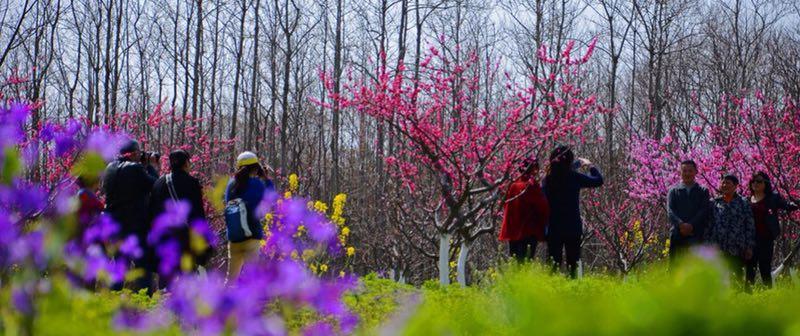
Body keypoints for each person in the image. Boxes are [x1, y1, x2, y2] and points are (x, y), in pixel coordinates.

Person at [103, 139, 159, 293]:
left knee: (120, 265)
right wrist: (152, 166)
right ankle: (145, 301)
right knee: (142, 265)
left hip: (115, 226)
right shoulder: (134, 168)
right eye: (139, 153)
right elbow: (154, 185)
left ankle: (112, 298)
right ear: (134, 153)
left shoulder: (109, 168)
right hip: (134, 225)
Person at [149, 150, 212, 287]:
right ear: (185, 163)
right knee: (187, 273)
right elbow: (198, 212)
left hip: (164, 235)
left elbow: (152, 212)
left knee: (166, 273)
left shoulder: (159, 183)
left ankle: (162, 304)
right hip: (185, 236)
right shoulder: (192, 183)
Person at [543, 145, 603, 278]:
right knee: (573, 267)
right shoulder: (574, 177)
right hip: (572, 228)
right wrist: (590, 166)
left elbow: (562, 170)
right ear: (569, 161)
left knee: (553, 266)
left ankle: (549, 295)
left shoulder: (547, 179)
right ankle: (573, 294)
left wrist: (577, 164)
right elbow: (598, 181)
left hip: (553, 228)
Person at [224, 151, 275, 283]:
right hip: (252, 235)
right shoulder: (257, 184)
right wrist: (266, 179)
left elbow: (227, 203)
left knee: (231, 278)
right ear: (256, 168)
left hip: (234, 236)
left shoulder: (231, 185)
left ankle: (223, 301)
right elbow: (270, 199)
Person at [746, 171, 798, 289]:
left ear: (766, 183)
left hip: (765, 239)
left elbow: (787, 205)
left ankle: (768, 297)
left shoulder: (773, 198)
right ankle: (746, 298)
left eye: (759, 181)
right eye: (753, 181)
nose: (755, 183)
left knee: (765, 268)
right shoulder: (747, 200)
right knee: (750, 270)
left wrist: (796, 204)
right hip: (750, 240)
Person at [705, 174, 755, 285]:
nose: (724, 185)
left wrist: (749, 246)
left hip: (737, 247)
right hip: (718, 246)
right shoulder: (714, 203)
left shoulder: (743, 203)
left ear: (735, 186)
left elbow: (749, 225)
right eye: (723, 182)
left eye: (728, 183)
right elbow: (709, 224)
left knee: (736, 277)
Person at [499, 157, 550, 263]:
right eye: (535, 168)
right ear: (533, 169)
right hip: (528, 231)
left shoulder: (513, 185)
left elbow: (506, 206)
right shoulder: (531, 186)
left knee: (515, 262)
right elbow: (543, 207)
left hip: (513, 231)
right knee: (525, 263)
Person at [666, 160, 711, 265]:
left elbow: (704, 210)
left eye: (690, 171)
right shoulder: (673, 191)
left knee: (694, 267)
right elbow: (670, 211)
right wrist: (681, 225)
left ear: (696, 172)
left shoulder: (703, 190)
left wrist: (691, 225)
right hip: (677, 234)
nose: (687, 173)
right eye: (684, 171)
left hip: (696, 233)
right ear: (680, 172)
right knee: (676, 266)